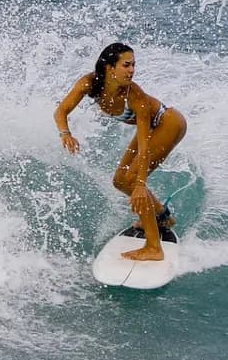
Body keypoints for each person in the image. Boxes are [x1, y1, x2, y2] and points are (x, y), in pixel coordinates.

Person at [54, 42, 188, 261]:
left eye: (134, 65)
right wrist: (65, 134)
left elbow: (144, 147)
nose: (132, 70)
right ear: (109, 68)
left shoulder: (135, 96)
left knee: (134, 179)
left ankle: (154, 247)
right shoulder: (89, 83)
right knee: (120, 181)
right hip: (155, 126)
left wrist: (141, 184)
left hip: (169, 123)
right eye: (126, 65)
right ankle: (163, 218)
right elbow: (61, 111)